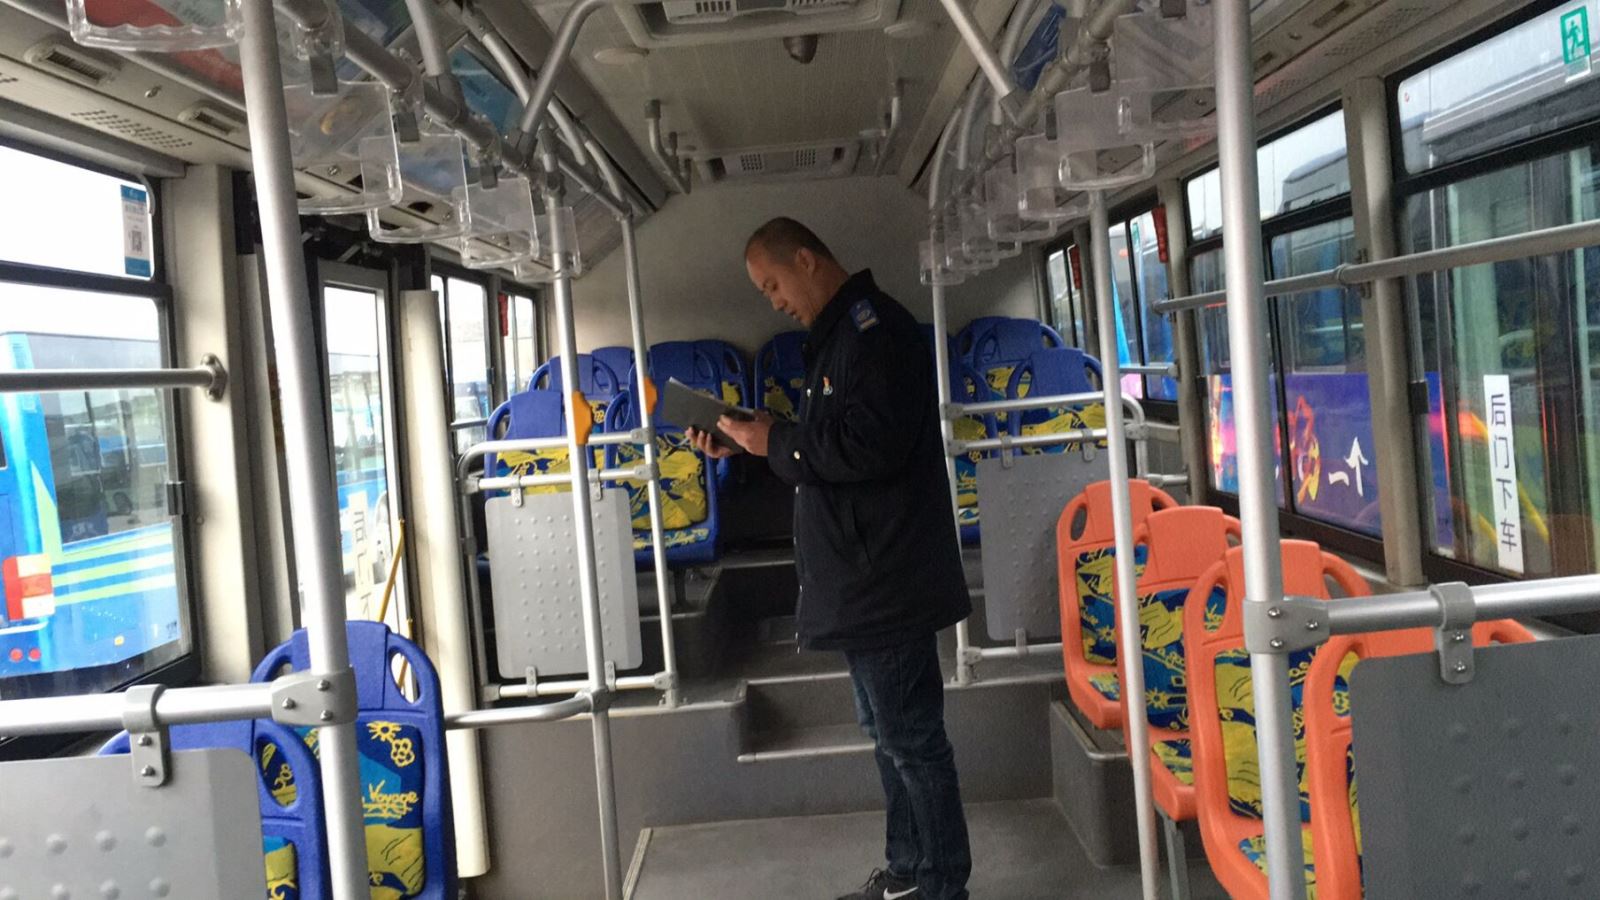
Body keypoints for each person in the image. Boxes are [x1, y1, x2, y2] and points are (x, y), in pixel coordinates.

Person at [687, 218, 973, 900]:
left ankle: (941, 887)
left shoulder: (877, 335)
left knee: (913, 742)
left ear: (806, 260)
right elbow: (827, 449)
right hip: (862, 578)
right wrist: (751, 445)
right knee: (888, 736)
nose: (773, 300)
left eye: (773, 284)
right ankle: (908, 874)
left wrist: (777, 440)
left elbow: (869, 447)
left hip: (887, 580)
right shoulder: (840, 339)